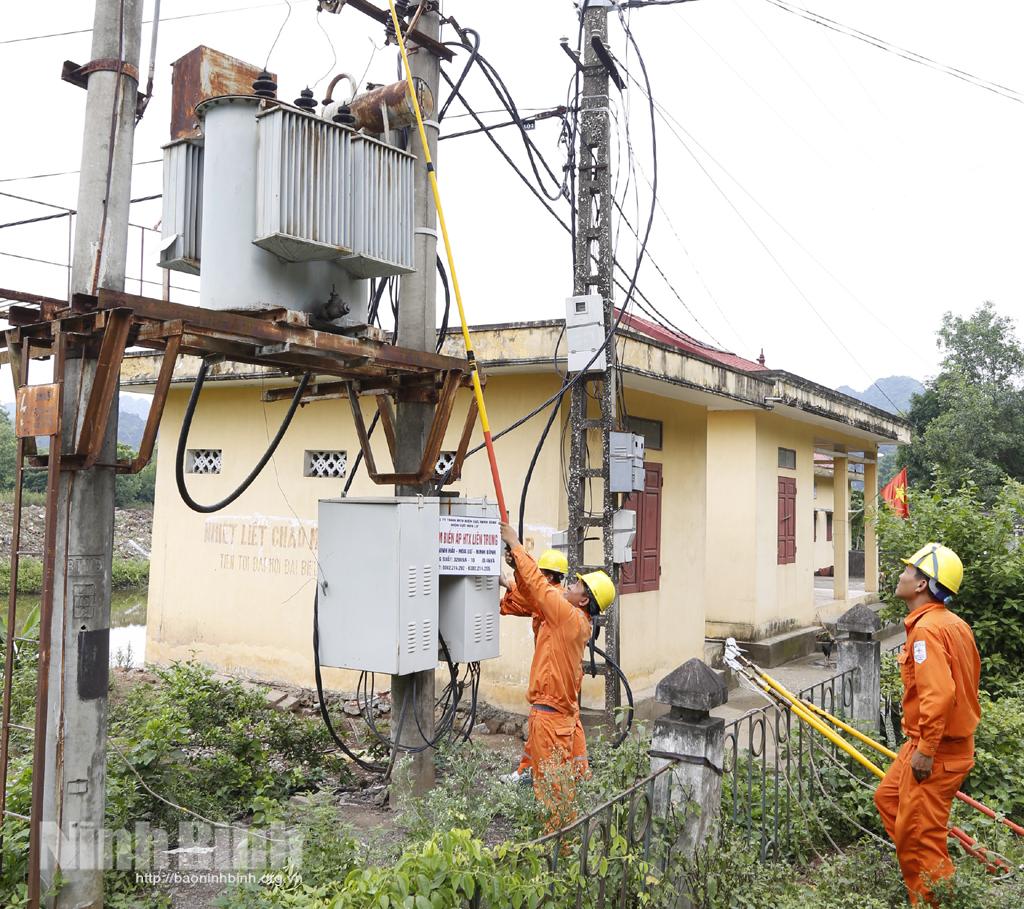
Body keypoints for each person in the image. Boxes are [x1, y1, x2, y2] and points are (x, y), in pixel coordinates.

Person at [873, 542, 981, 906]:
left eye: (908, 570)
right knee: (888, 799)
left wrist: (927, 750)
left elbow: (939, 695)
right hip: (930, 743)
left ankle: (934, 895)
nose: (901, 574)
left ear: (922, 585)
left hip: (935, 750)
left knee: (921, 837)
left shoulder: (927, 631)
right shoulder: (952, 624)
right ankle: (918, 855)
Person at [498, 522, 614, 824]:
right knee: (558, 786)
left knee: (553, 795)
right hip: (555, 715)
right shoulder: (570, 616)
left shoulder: (568, 617)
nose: (567, 588)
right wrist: (518, 570)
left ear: (584, 600)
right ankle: (561, 843)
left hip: (550, 719)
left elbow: (540, 588)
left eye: (574, 587)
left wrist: (515, 544)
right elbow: (535, 594)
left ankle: (556, 853)